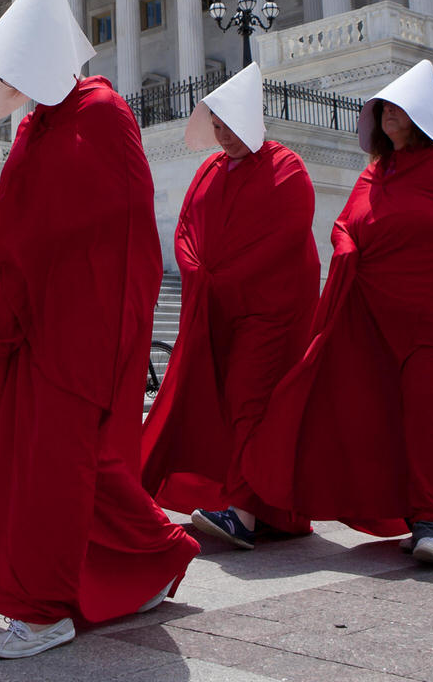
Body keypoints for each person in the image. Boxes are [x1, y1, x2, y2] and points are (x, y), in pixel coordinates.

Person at [0, 0, 198, 661]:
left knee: (52, 473)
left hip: (80, 324)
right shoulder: (40, 126)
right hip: (35, 324)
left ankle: (44, 609)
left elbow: (110, 230)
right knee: (71, 465)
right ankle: (156, 553)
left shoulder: (100, 114)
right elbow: (18, 229)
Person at [246, 60, 433, 565]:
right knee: (377, 414)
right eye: (382, 109)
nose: (387, 116)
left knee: (430, 418)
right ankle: (423, 515)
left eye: (398, 108)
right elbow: (344, 223)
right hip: (377, 317)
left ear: (421, 115)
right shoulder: (376, 171)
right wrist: (349, 246)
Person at [140, 63, 320, 549]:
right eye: (217, 127)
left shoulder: (287, 167)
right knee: (226, 401)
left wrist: (225, 276)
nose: (224, 137)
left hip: (270, 311)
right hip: (220, 309)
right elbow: (185, 230)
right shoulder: (208, 170)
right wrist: (198, 270)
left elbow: (285, 236)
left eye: (231, 127)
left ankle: (243, 510)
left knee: (249, 399)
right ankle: (264, 510)